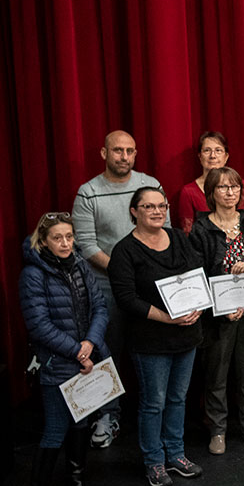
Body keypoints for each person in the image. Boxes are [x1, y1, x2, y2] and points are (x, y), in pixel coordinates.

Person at [72, 130, 166, 448]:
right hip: (105, 289)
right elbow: (85, 244)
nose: (124, 157)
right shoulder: (88, 193)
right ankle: (107, 416)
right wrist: (124, 271)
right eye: (117, 151)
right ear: (104, 153)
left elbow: (163, 231)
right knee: (105, 353)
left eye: (129, 151)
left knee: (151, 350)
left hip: (148, 288)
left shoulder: (149, 185)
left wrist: (143, 275)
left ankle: (153, 415)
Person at [108, 187, 204, 486]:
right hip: (150, 340)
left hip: (187, 334)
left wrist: (198, 308)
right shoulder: (124, 251)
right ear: (134, 211)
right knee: (154, 402)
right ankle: (154, 461)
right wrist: (167, 318)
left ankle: (176, 454)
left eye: (161, 205)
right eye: (148, 206)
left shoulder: (177, 237)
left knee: (178, 398)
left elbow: (196, 274)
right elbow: (126, 298)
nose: (157, 211)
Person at [19, 212, 108, 486]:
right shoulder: (33, 273)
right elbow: (39, 326)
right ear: (43, 241)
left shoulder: (81, 264)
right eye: (57, 238)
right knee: (56, 430)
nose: (65, 243)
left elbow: (99, 307)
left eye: (69, 237)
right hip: (57, 364)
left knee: (82, 425)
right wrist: (78, 352)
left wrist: (90, 344)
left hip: (86, 359)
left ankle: (76, 482)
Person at [189, 167, 244, 454]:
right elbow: (197, 275)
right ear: (211, 193)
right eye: (223, 188)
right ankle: (218, 430)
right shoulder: (202, 229)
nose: (230, 193)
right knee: (216, 374)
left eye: (235, 187)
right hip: (218, 316)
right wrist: (220, 307)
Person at [175, 131, 244, 234]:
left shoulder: (242, 186)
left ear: (226, 156)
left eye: (218, 150)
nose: (213, 156)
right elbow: (188, 233)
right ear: (200, 157)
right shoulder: (188, 192)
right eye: (207, 150)